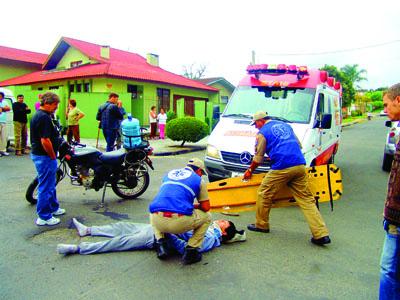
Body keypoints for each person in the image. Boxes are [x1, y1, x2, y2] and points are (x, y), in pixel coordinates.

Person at [243, 111, 330, 245]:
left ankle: (261, 225)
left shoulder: (262, 133)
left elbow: (258, 158)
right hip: (299, 165)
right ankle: (321, 234)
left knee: (264, 193)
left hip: (282, 166)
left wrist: (250, 170)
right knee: (306, 200)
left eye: (255, 124)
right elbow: (298, 145)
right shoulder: (286, 126)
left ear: (261, 121)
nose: (256, 127)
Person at [56, 218, 246, 255]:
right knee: (123, 227)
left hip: (159, 236)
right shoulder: (208, 225)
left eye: (224, 223)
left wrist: (168, 233)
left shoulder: (210, 239)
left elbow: (184, 249)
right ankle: (88, 231)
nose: (221, 220)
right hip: (158, 228)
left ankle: (79, 249)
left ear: (223, 231)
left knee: (120, 242)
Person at [149, 158, 211, 264]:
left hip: (158, 221)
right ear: (199, 171)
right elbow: (206, 207)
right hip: (179, 223)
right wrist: (193, 206)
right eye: (201, 173)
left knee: (155, 210)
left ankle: (161, 243)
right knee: (207, 217)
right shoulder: (198, 179)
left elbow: (165, 198)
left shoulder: (169, 174)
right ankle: (191, 250)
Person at [30, 92, 66, 226]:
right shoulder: (43, 117)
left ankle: (53, 207)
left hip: (41, 155)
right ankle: (44, 216)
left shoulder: (42, 115)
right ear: (48, 103)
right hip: (44, 156)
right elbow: (45, 140)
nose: (56, 107)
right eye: (55, 105)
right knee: (46, 186)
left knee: (50, 184)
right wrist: (52, 155)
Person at [379, 83, 400, 299]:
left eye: (387, 105)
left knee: (388, 270)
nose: (385, 110)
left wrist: (390, 212)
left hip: (397, 218)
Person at [0, 92, 11, 157]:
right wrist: (3, 109)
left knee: (3, 137)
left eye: (0, 96)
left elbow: (8, 108)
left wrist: (2, 108)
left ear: (3, 97)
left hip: (3, 121)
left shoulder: (5, 102)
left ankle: (3, 150)